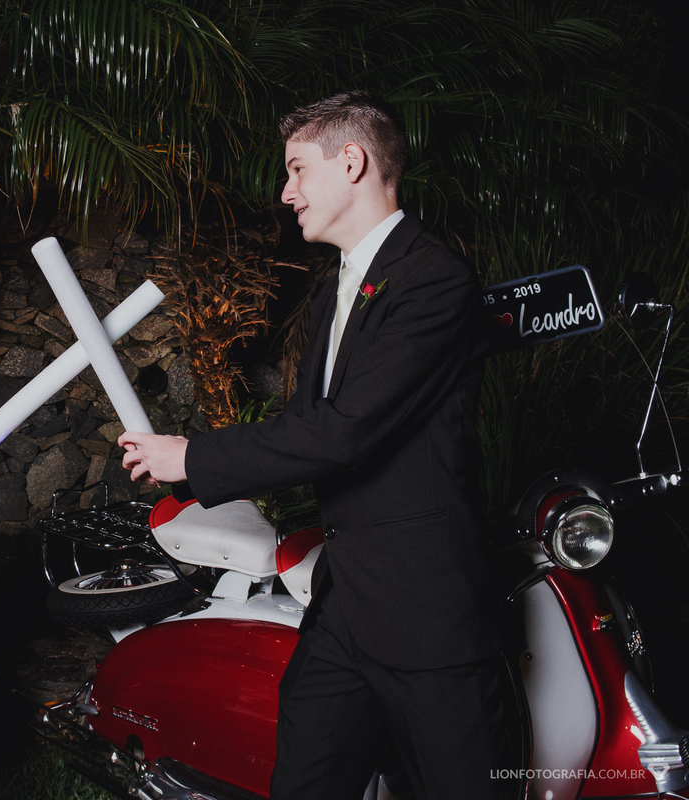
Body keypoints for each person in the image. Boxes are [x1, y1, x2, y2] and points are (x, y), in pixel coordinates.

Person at [118, 91, 508, 799]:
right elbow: (307, 431)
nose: (285, 191)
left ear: (351, 162)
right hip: (345, 608)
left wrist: (192, 458)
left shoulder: (433, 280)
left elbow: (343, 433)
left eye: (297, 169)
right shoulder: (334, 293)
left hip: (424, 616)